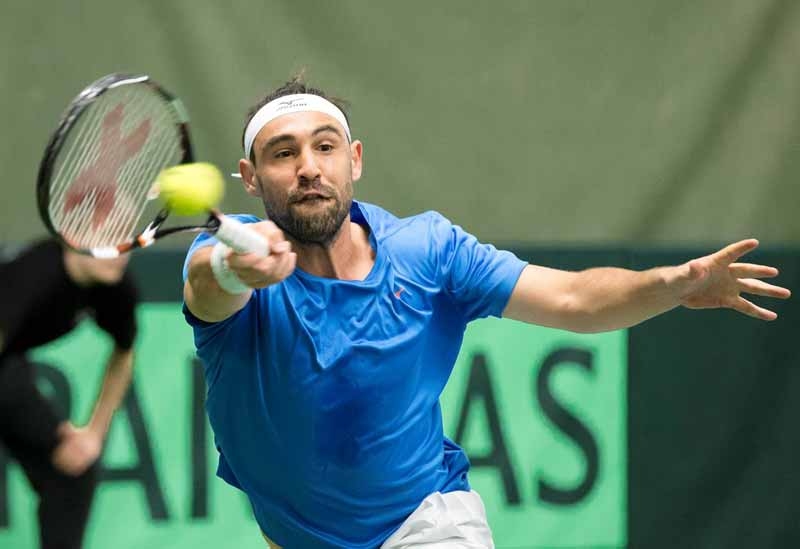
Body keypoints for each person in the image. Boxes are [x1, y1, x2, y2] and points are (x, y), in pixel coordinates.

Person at [182, 75, 791, 549]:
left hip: (425, 523)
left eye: (325, 146)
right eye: (283, 153)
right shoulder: (226, 252)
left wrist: (672, 285)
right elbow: (208, 288)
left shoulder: (428, 251)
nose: (309, 167)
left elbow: (574, 299)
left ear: (355, 160)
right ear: (251, 179)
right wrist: (239, 269)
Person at [0, 239, 137, 549]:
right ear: (73, 239)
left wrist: (94, 434)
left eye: (125, 243)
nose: (120, 255)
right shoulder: (32, 277)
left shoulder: (115, 287)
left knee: (72, 468)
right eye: (108, 243)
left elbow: (124, 353)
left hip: (8, 368)